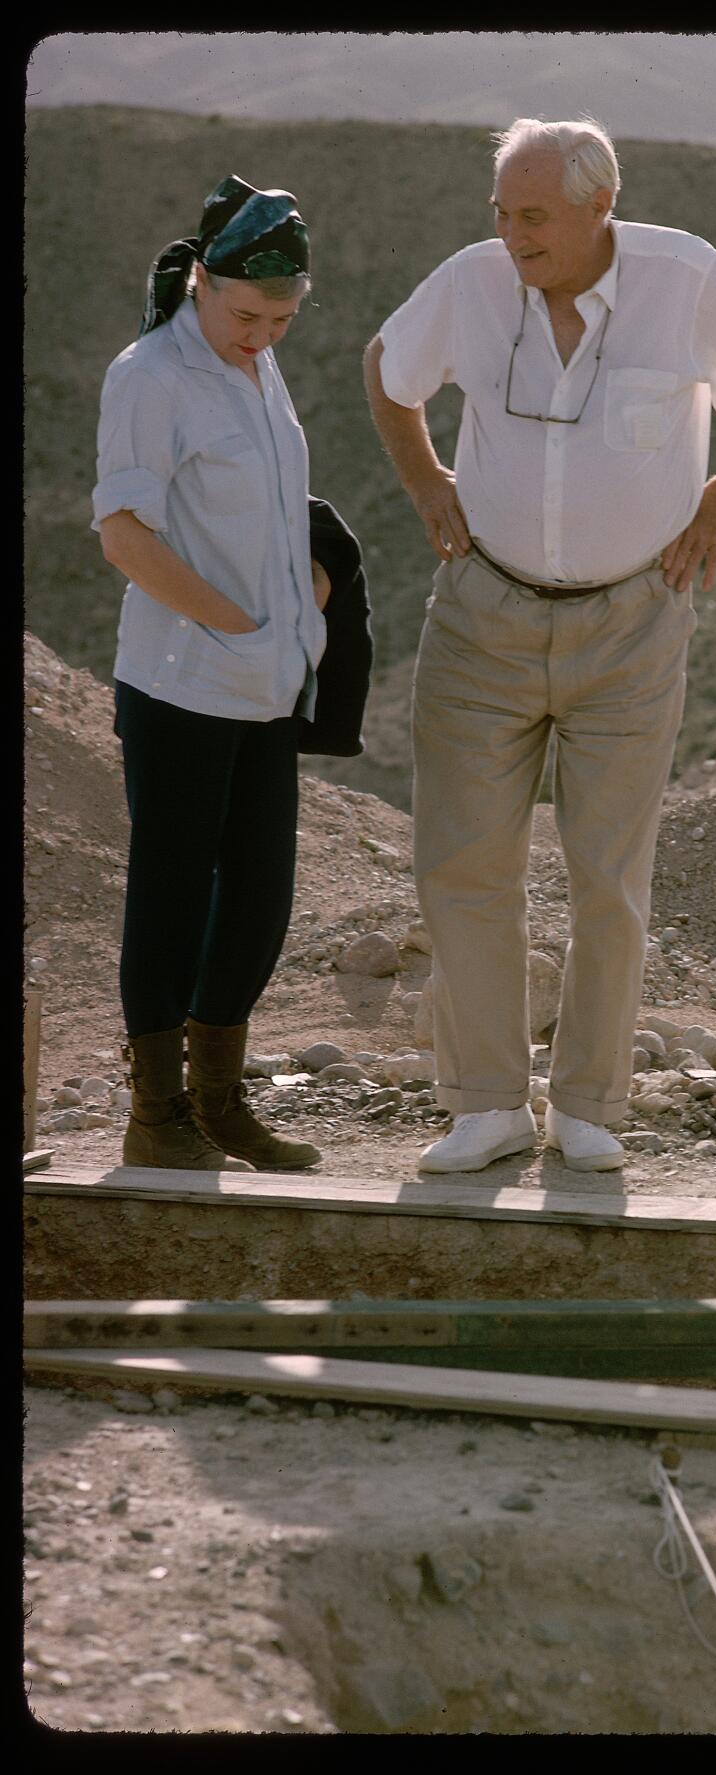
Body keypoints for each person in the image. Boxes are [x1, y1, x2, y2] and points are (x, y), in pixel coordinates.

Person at [364, 117, 716, 1174]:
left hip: (632, 622)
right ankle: (484, 1105)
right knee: (463, 864)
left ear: (598, 207)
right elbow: (387, 368)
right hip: (483, 616)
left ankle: (589, 1104)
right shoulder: (474, 280)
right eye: (501, 213)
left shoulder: (683, 277)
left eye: (533, 217)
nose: (511, 236)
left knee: (607, 873)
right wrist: (426, 479)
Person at [93, 174, 330, 1171]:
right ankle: (157, 1117)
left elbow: (264, 500)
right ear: (202, 281)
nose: (263, 332)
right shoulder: (150, 374)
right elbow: (123, 536)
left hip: (267, 681)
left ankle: (220, 1100)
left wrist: (307, 581)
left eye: (281, 317)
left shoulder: (256, 365)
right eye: (246, 312)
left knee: (262, 896)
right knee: (174, 893)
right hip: (183, 682)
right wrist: (235, 618)